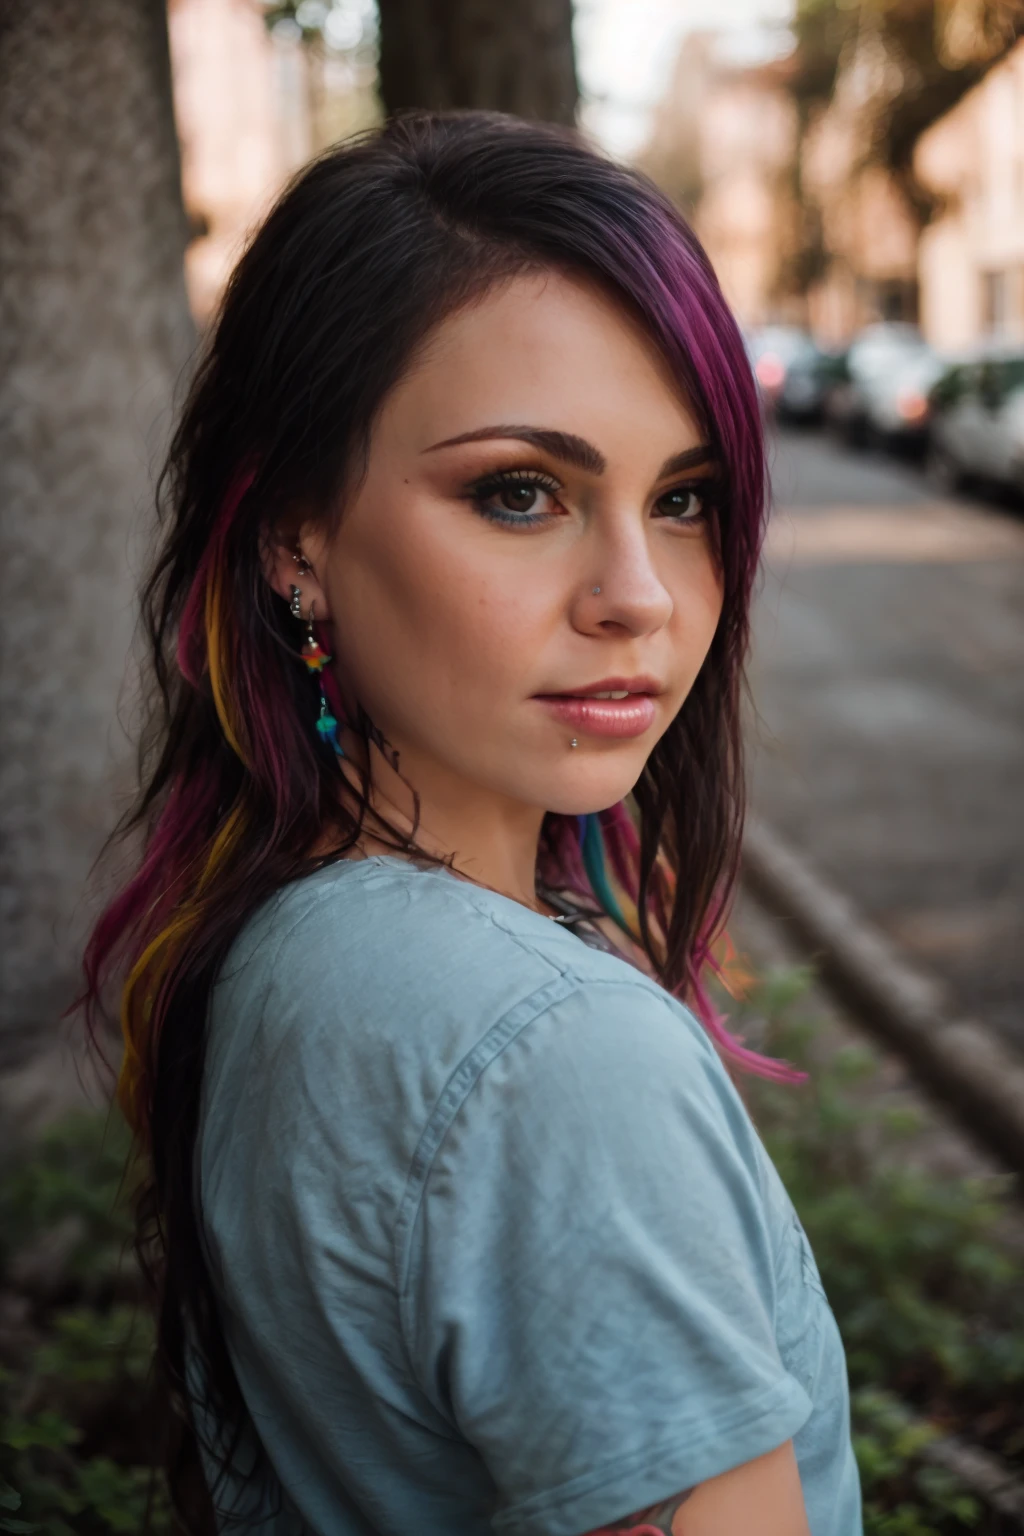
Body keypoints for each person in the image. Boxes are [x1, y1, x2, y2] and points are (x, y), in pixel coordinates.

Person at [81, 109, 862, 1536]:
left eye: (684, 498)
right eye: (521, 493)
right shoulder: (550, 1057)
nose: (641, 594)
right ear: (291, 537)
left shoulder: (268, 940)